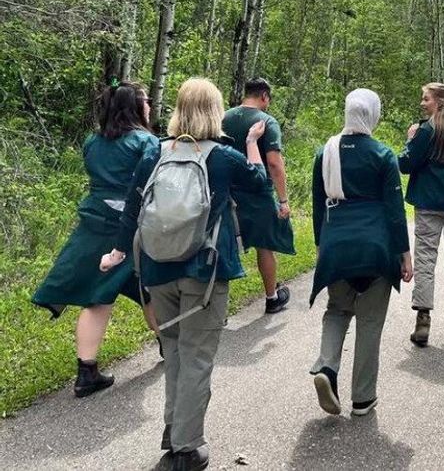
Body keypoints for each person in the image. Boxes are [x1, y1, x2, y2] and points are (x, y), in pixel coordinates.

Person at [101, 78, 268, 471]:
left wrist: (118, 252)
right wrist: (251, 144)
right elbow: (259, 184)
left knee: (175, 352)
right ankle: (186, 448)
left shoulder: (154, 153)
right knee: (196, 358)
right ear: (214, 111)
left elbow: (132, 207)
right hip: (204, 271)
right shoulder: (223, 158)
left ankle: (174, 432)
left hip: (158, 269)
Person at [31, 81, 160, 397]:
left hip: (94, 221)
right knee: (145, 289)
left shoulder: (92, 142)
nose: (150, 107)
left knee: (111, 293)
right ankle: (169, 345)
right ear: (136, 107)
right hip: (129, 228)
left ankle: (88, 372)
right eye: (146, 102)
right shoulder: (146, 142)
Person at [308, 89, 414, 417]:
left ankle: (326, 367)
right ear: (373, 114)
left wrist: (321, 245)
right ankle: (363, 398)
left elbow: (316, 204)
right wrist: (404, 254)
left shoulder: (325, 152)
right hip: (375, 249)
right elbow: (395, 211)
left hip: (336, 244)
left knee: (337, 310)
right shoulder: (383, 155)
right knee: (370, 321)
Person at [398, 82, 444, 347]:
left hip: (428, 203)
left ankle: (423, 320)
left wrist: (409, 139)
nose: (422, 103)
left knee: (426, 259)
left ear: (438, 102)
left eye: (425, 98)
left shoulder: (426, 130)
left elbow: (405, 164)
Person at [222, 78, 295, 313]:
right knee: (265, 246)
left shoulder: (224, 117)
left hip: (228, 190)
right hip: (258, 191)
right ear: (264, 96)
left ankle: (217, 305)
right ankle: (272, 297)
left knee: (224, 244)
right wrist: (283, 200)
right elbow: (274, 163)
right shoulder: (267, 121)